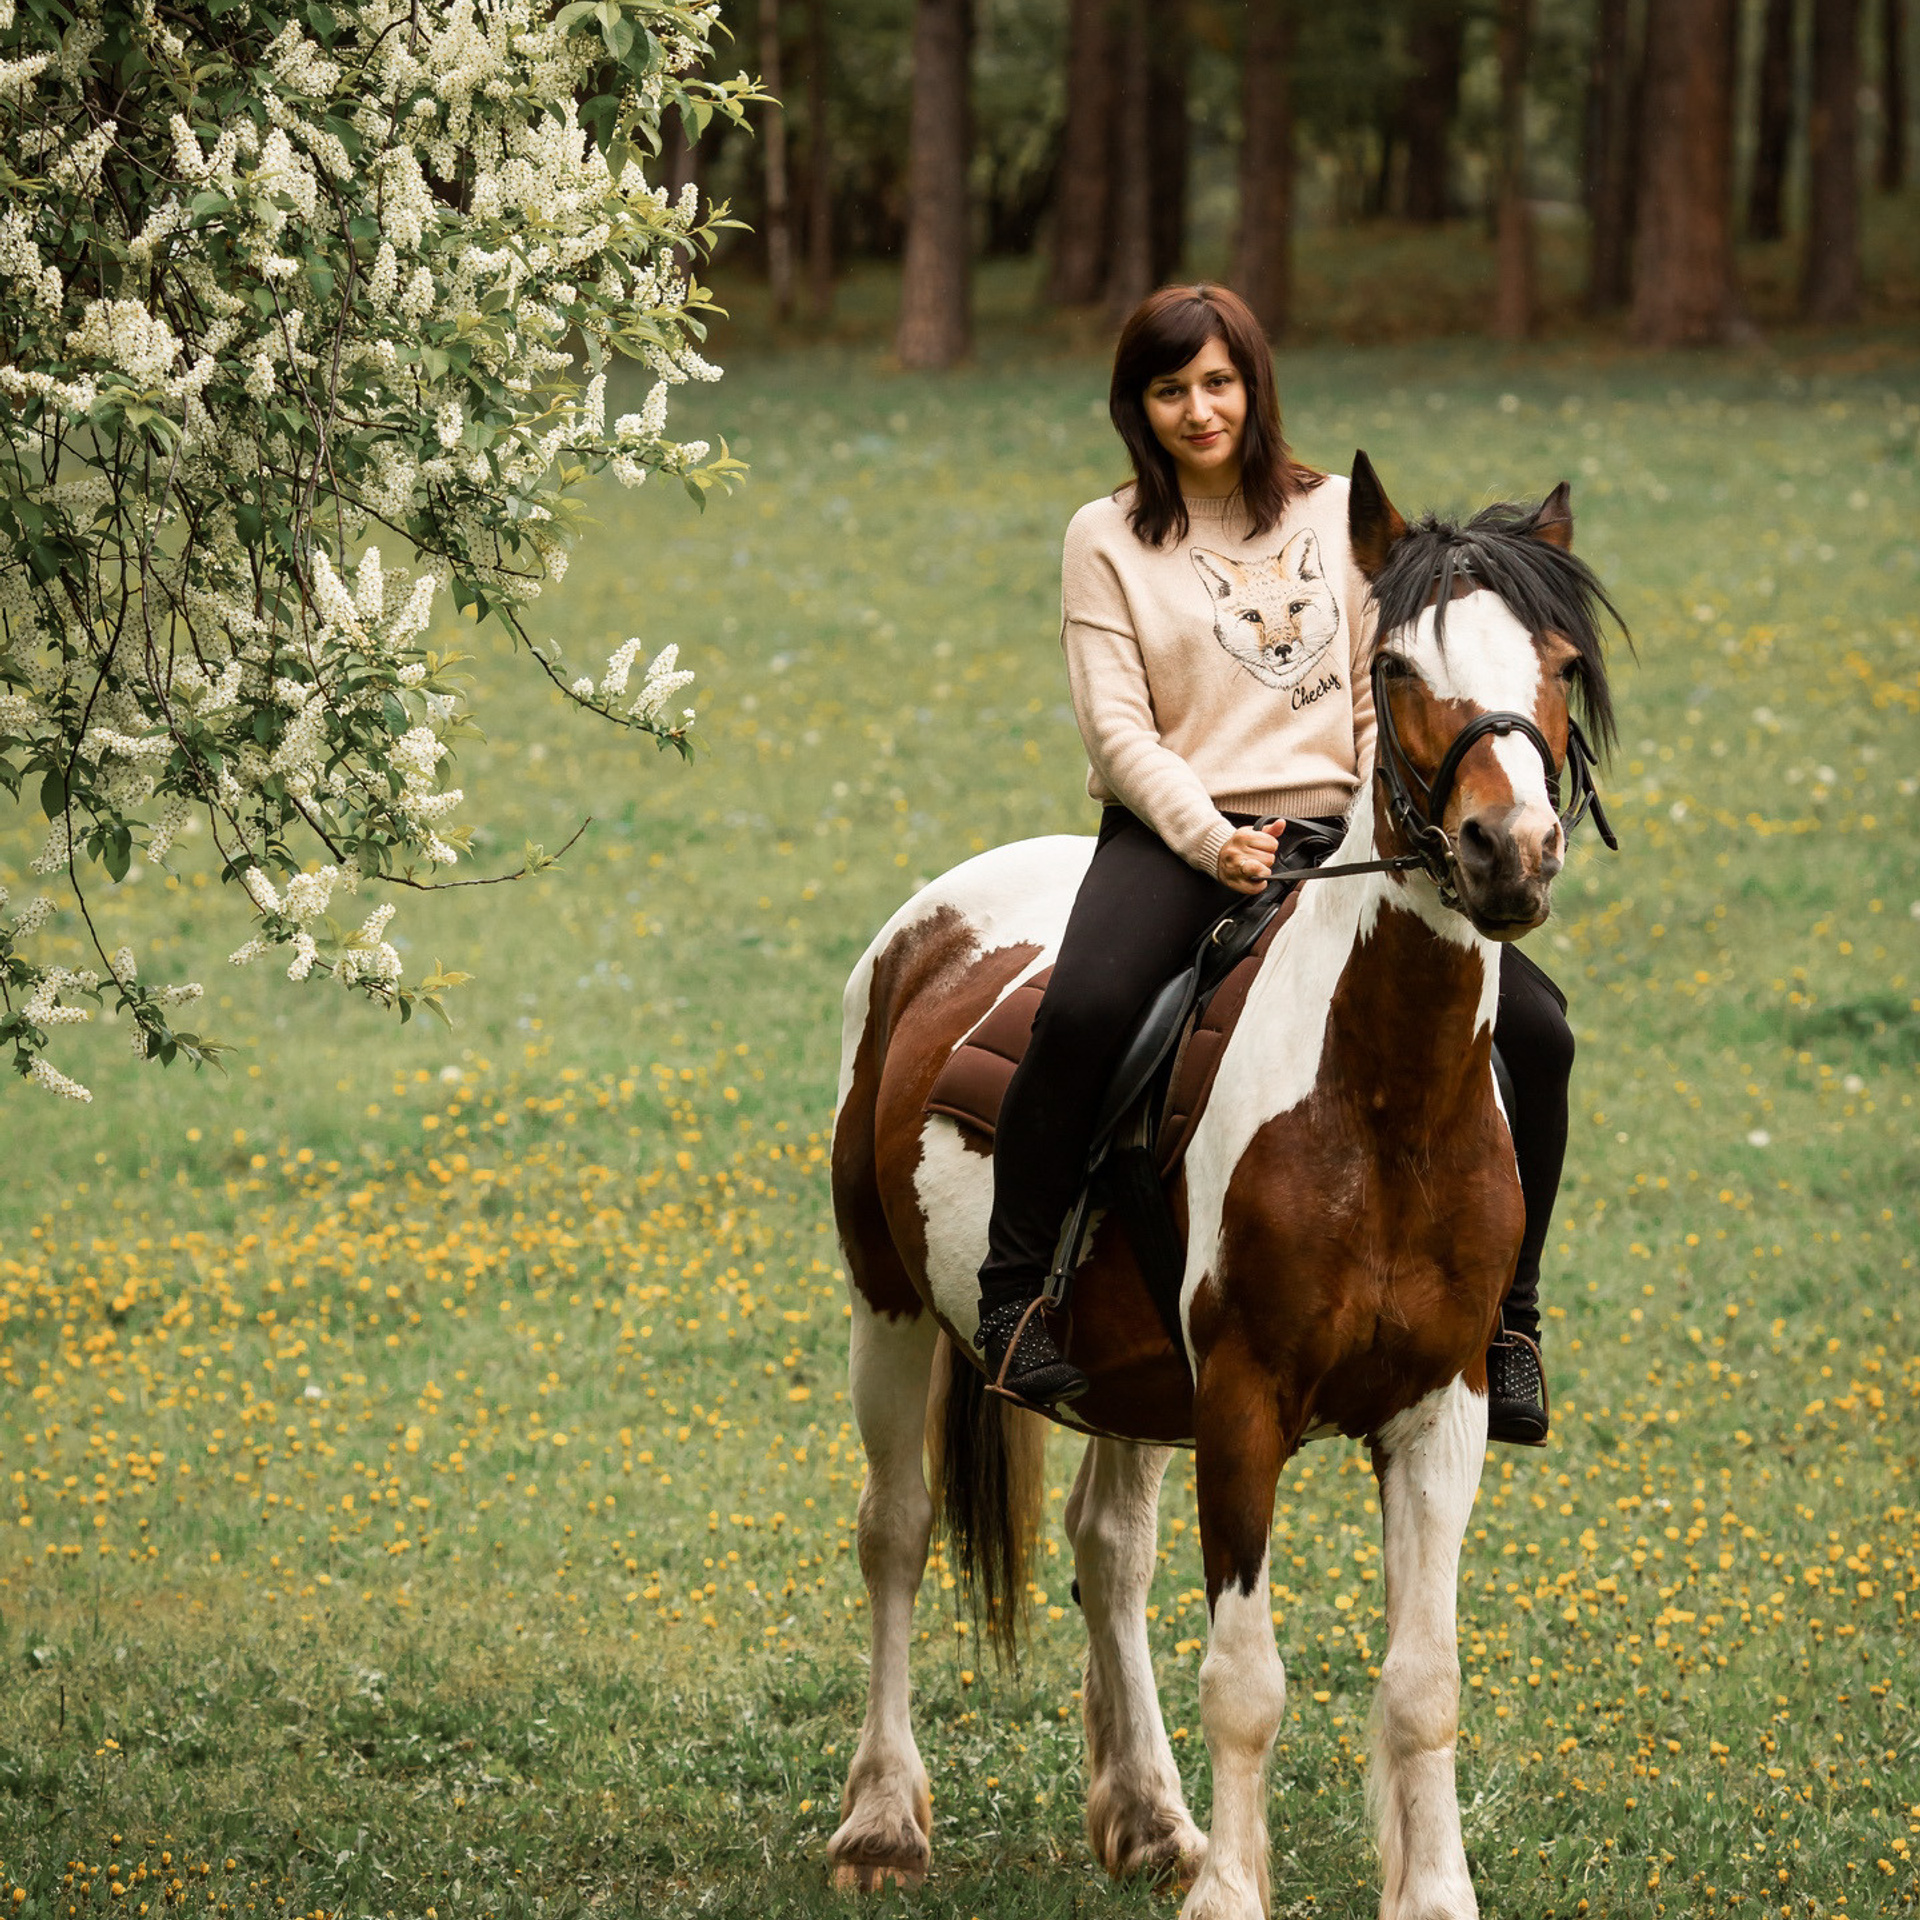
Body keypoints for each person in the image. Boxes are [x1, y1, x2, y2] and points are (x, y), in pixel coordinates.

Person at [970, 283, 1570, 1446]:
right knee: (1087, 1008)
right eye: (1169, 388)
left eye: (1217, 383)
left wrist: (1366, 826)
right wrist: (1208, 836)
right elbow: (1118, 728)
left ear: (1253, 387)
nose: (1198, 410)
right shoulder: (1106, 537)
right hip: (1175, 837)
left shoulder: (1337, 514)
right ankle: (1012, 1300)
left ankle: (1512, 1321)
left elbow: (1374, 691)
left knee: (1540, 1031)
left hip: (1341, 841)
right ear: (1135, 406)